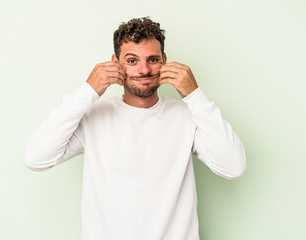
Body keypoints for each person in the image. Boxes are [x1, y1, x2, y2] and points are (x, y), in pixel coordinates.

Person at [24, 17, 246, 240]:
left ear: (164, 61)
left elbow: (233, 167)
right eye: (132, 60)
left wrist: (194, 95)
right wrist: (88, 90)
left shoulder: (187, 115)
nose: (144, 70)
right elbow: (36, 158)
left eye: (152, 60)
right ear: (115, 63)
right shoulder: (94, 117)